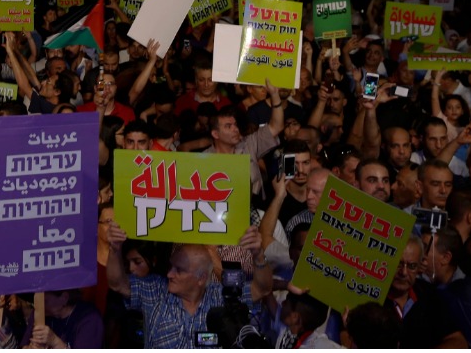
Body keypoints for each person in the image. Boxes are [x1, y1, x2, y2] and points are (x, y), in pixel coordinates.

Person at [106, 222, 272, 348]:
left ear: (201, 277)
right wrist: (114, 249)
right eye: (171, 266)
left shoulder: (222, 298)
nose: (170, 274)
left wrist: (258, 255)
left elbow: (262, 289)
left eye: (179, 270)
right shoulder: (155, 291)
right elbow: (117, 284)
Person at [203, 79, 283, 197]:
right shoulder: (204, 159)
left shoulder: (249, 143)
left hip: (255, 208)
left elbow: (276, 127)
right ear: (215, 134)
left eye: (235, 125)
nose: (235, 129)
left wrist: (275, 95)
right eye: (228, 126)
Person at [22, 288, 104, 349]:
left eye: (45, 301)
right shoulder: (39, 312)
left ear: (64, 298)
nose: (39, 305)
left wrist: (55, 342)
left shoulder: (89, 318)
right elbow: (23, 346)